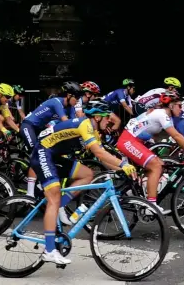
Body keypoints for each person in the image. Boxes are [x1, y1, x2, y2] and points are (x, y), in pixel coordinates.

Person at [30, 99, 137, 265]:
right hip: (43, 152)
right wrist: (123, 163)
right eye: (106, 117)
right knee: (54, 196)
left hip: (54, 155)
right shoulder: (85, 124)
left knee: (87, 174)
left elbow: (101, 156)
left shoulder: (93, 131)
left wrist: (122, 170)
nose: (109, 120)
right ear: (96, 117)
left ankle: (60, 206)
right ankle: (49, 250)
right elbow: (100, 154)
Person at [117, 91, 184, 212]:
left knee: (160, 164)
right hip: (128, 141)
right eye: (179, 106)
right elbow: (176, 136)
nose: (181, 109)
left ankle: (142, 194)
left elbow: (179, 135)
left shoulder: (164, 114)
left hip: (135, 141)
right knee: (156, 166)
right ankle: (150, 206)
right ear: (171, 106)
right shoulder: (161, 114)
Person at [20, 81, 82, 198]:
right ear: (69, 96)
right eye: (77, 97)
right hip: (28, 126)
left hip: (39, 128)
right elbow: (66, 122)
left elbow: (74, 124)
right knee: (37, 154)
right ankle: (29, 194)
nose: (78, 101)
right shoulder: (56, 102)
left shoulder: (70, 107)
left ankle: (41, 181)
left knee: (49, 153)